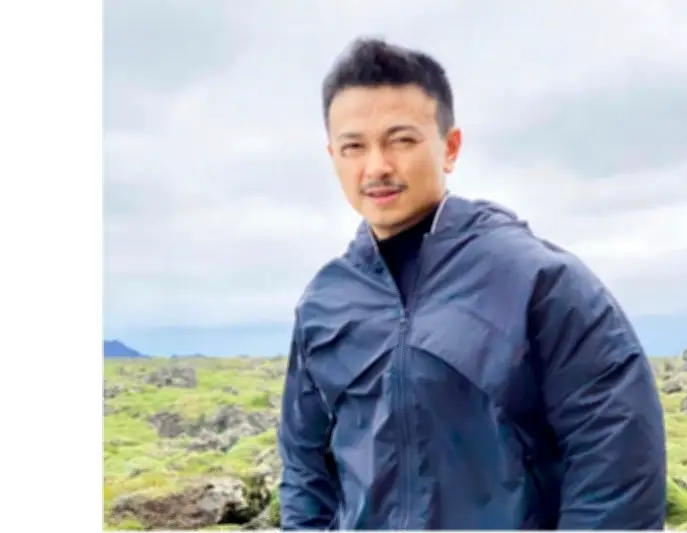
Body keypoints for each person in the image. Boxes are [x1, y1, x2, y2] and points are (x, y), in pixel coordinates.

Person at [277, 37, 667, 530]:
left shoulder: (537, 282)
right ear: (333, 154)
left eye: (401, 140)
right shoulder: (324, 302)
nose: (376, 167)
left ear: (450, 147)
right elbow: (305, 470)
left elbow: (617, 457)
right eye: (354, 146)